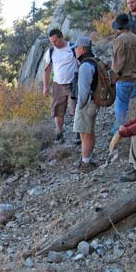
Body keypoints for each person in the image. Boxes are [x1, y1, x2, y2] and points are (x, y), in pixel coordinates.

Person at [43, 29, 79, 143]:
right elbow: (47, 70)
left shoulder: (73, 48)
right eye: (52, 42)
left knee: (75, 109)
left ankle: (78, 132)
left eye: (55, 41)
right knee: (57, 110)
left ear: (61, 37)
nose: (54, 43)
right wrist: (45, 87)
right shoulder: (51, 51)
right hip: (58, 84)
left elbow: (82, 63)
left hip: (73, 84)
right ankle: (59, 133)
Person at [70, 37, 99, 173]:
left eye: (76, 48)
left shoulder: (85, 66)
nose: (75, 50)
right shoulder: (94, 61)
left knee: (85, 135)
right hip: (94, 102)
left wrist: (79, 106)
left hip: (86, 104)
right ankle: (88, 160)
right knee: (90, 132)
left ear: (81, 48)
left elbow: (83, 91)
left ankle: (85, 165)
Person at [111, 13, 136, 134]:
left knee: (120, 106)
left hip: (123, 78)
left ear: (118, 28)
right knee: (127, 103)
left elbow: (118, 63)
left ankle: (120, 130)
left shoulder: (119, 40)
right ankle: (127, 126)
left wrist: (114, 77)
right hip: (134, 77)